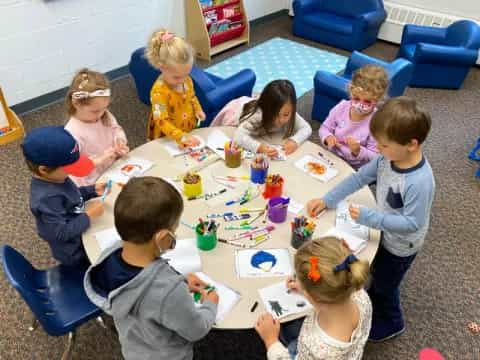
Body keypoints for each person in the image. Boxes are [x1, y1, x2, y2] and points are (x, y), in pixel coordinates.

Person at [307, 97, 435, 342]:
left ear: (411, 144)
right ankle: (377, 293)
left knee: (386, 286)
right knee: (377, 269)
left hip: (402, 244)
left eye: (383, 145)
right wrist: (327, 199)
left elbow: (412, 223)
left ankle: (392, 322)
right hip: (386, 229)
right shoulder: (387, 158)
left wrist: (371, 218)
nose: (378, 149)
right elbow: (359, 178)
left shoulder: (419, 182)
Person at [84, 177, 219, 360]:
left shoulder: (111, 253)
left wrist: (180, 278)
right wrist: (211, 303)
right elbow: (196, 329)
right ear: (163, 237)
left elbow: (141, 280)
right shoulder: (169, 292)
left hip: (134, 349)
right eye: (175, 228)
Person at [255, 237, 372, 359]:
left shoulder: (319, 351)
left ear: (314, 296)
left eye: (299, 280)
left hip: (305, 352)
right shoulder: (358, 293)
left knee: (286, 333)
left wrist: (271, 341)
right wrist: (305, 289)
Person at [22, 126, 107, 267]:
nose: (71, 173)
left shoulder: (57, 177)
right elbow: (60, 234)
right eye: (69, 169)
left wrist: (91, 190)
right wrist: (88, 215)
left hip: (81, 228)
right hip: (75, 252)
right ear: (43, 170)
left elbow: (70, 197)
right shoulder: (46, 199)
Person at [65, 68, 129, 186]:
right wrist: (102, 158)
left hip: (114, 168)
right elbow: (74, 168)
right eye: (95, 111)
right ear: (76, 103)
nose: (100, 114)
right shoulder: (72, 133)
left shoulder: (104, 114)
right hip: (93, 181)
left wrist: (120, 140)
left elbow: (116, 129)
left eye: (105, 108)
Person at [319, 65, 388, 170]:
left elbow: (376, 156)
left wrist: (358, 151)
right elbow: (324, 128)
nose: (360, 105)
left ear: (378, 100)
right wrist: (327, 137)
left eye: (367, 101)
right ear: (351, 93)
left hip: (355, 167)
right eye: (356, 98)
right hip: (332, 156)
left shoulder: (377, 122)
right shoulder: (342, 107)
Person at [145, 28, 204, 148]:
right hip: (167, 136)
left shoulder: (186, 80)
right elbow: (161, 121)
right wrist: (180, 136)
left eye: (186, 74)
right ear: (162, 68)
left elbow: (192, 97)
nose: (182, 80)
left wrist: (198, 109)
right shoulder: (158, 92)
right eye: (177, 77)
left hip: (187, 128)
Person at [233, 79, 312, 157]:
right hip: (235, 111)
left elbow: (307, 128)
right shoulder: (258, 115)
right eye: (275, 115)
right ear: (267, 110)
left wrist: (295, 141)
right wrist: (259, 148)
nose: (281, 120)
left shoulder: (290, 111)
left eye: (285, 115)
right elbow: (238, 136)